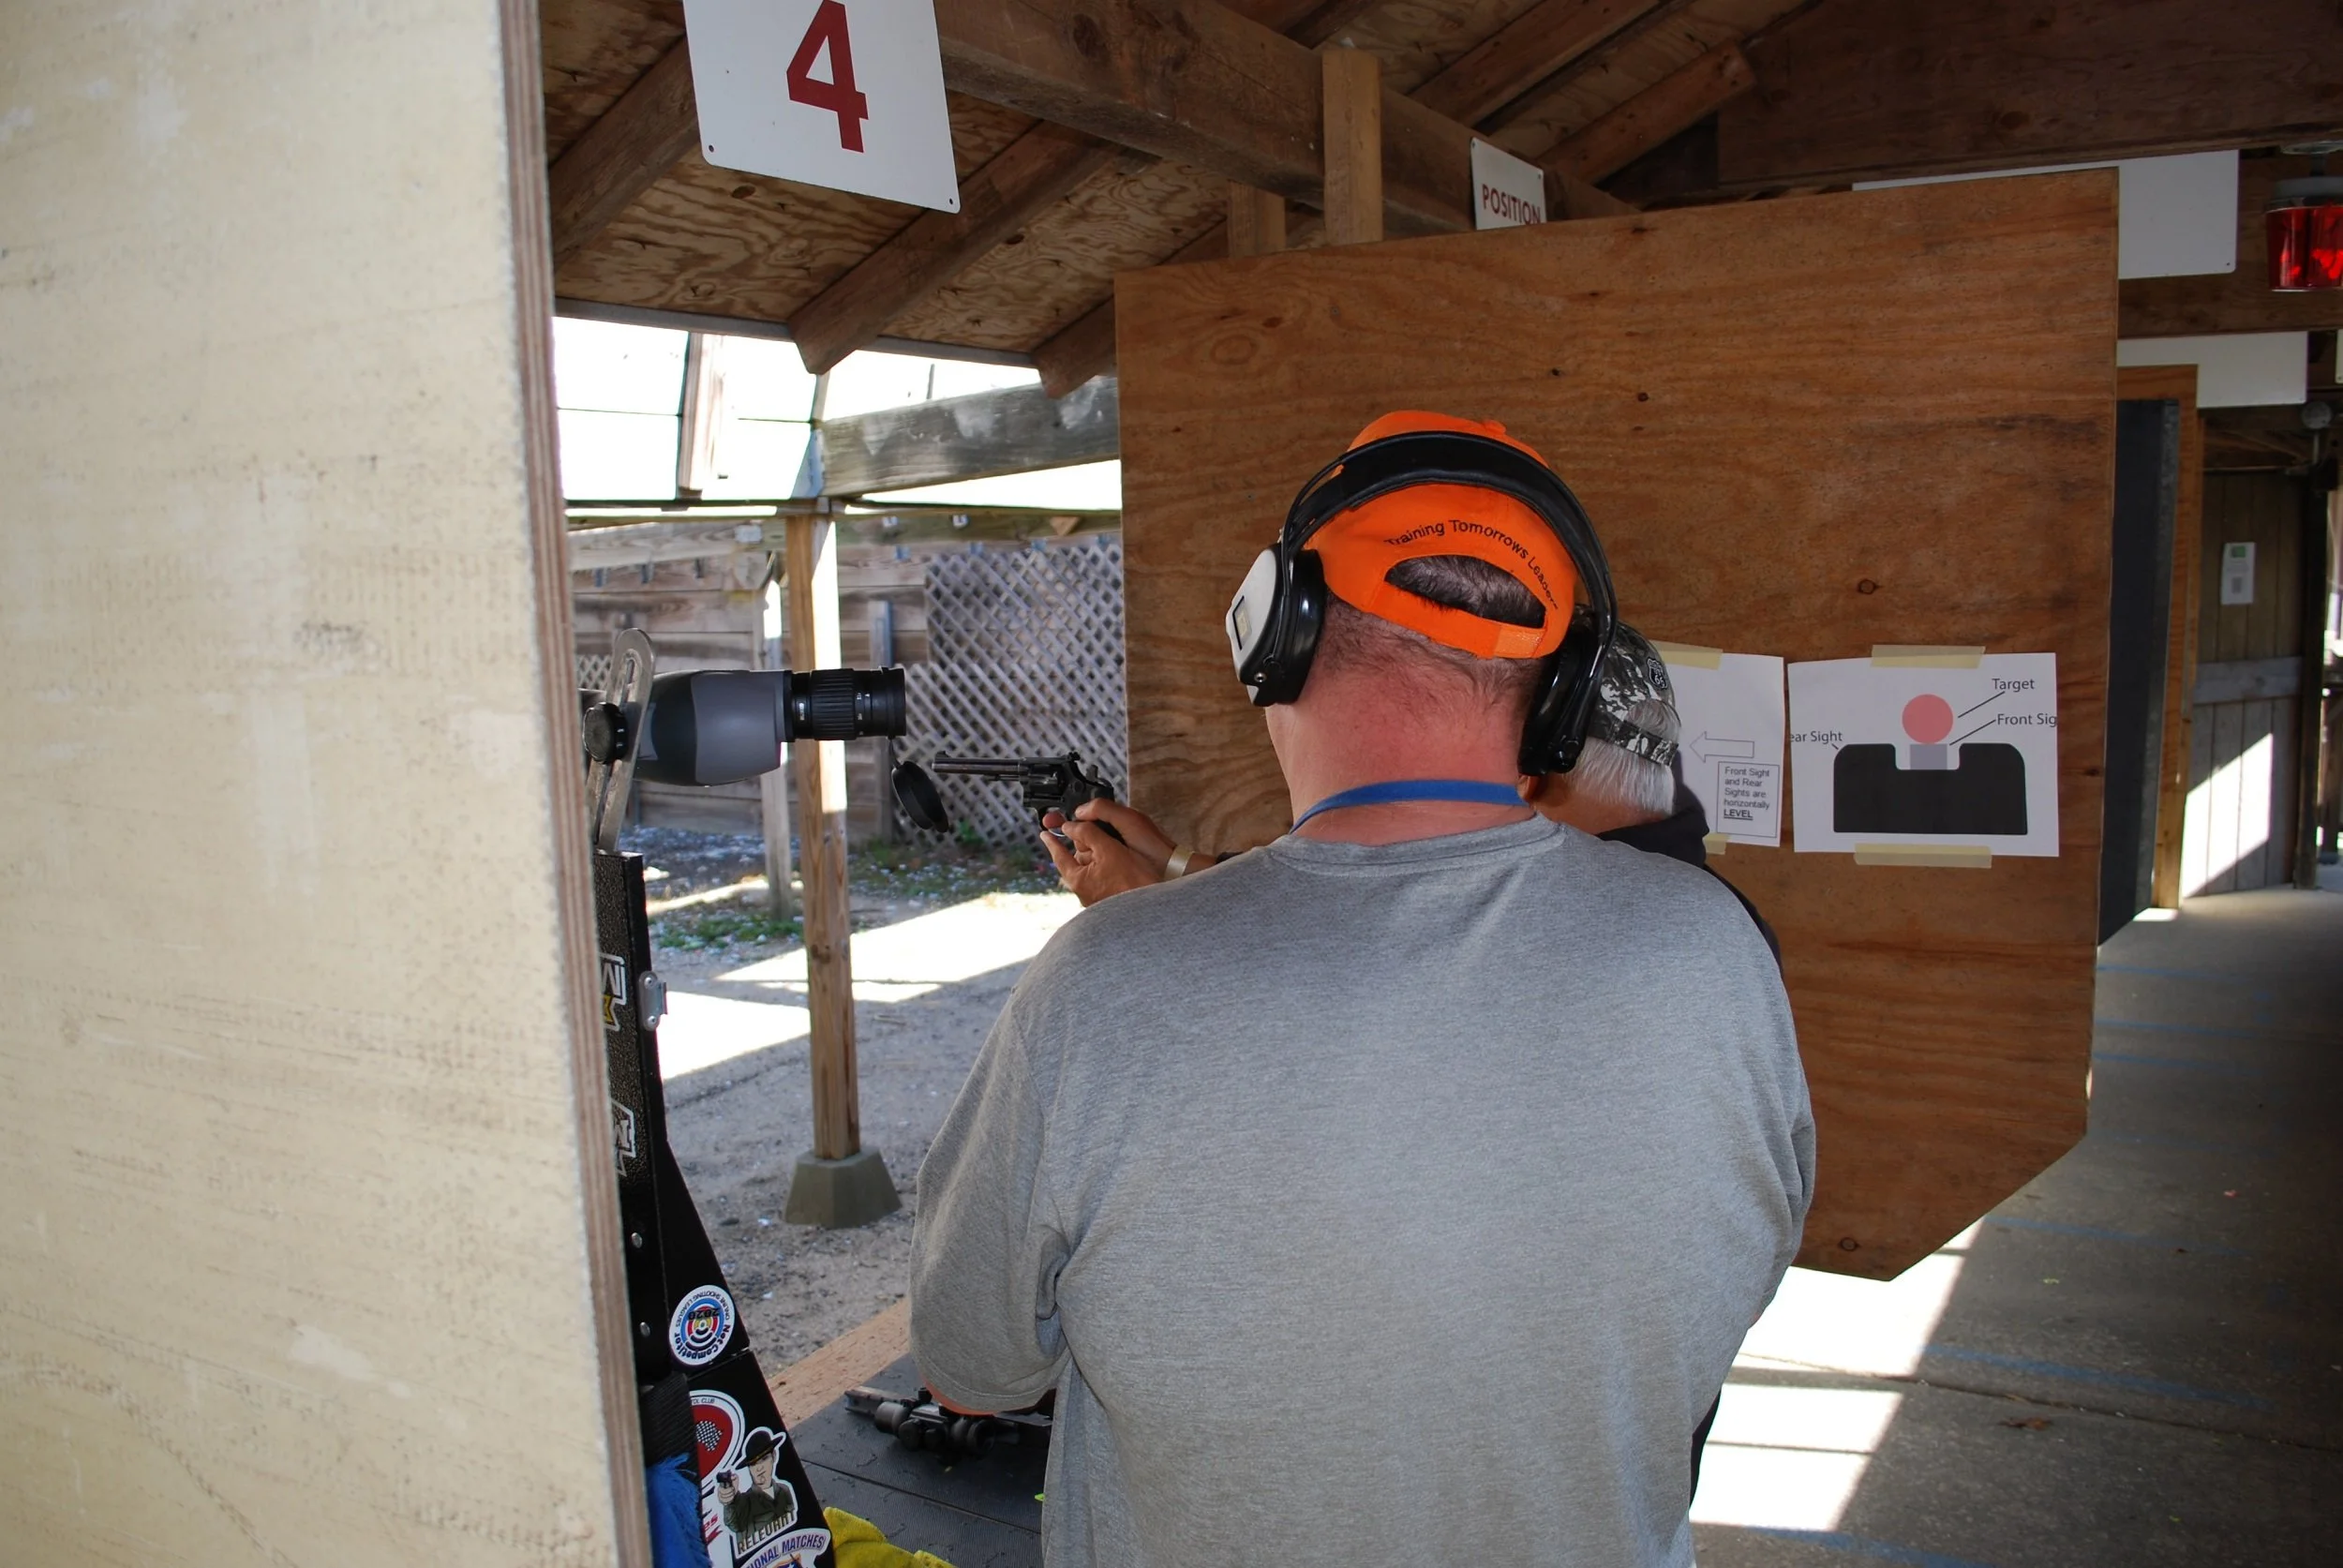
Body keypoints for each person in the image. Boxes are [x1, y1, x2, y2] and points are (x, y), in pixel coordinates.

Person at [910, 411, 1813, 1567]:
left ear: (1269, 633)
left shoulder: (1101, 985)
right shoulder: (1714, 951)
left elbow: (968, 1365)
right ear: (1562, 687)